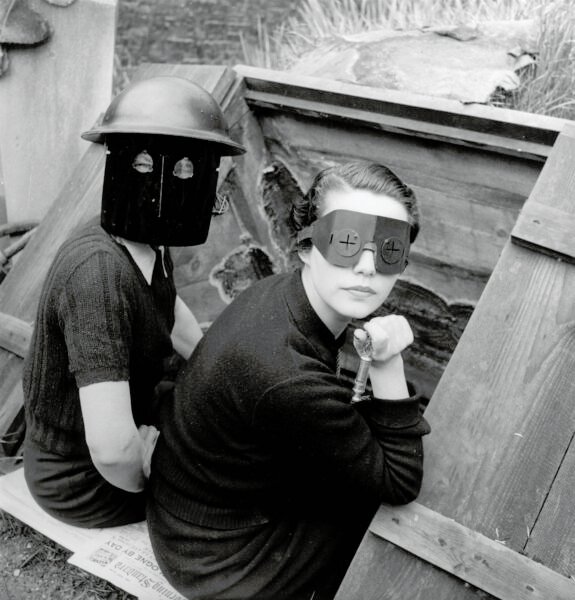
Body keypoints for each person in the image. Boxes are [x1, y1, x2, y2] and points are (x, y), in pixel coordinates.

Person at [147, 160, 431, 599]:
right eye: (346, 242)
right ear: (306, 247)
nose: (367, 267)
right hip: (224, 560)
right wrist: (388, 362)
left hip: (193, 517)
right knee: (391, 518)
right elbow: (400, 482)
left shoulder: (283, 293)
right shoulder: (287, 375)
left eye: (389, 249)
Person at [22, 75, 245, 528]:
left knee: (223, 422)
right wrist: (150, 472)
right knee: (230, 482)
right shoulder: (97, 274)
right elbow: (109, 449)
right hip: (81, 476)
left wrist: (215, 373)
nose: (176, 184)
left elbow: (169, 308)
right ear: (121, 165)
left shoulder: (147, 237)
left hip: (127, 420)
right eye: (147, 165)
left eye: (190, 171)